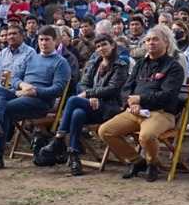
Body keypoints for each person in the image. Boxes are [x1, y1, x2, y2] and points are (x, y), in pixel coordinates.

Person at [97, 25, 185, 182]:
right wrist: (131, 102)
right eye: (148, 40)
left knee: (147, 135)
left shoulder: (173, 67)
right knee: (105, 131)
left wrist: (141, 99)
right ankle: (138, 161)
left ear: (166, 42)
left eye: (155, 40)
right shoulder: (140, 64)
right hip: (135, 111)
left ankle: (152, 163)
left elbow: (167, 95)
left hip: (161, 113)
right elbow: (126, 88)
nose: (151, 43)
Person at [0, 26, 70, 171]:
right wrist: (23, 85)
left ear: (55, 41)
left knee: (5, 110)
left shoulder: (61, 62)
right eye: (41, 40)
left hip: (41, 101)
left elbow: (57, 90)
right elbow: (15, 77)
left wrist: (33, 91)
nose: (43, 43)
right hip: (22, 93)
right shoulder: (32, 58)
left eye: (47, 40)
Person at [36, 33, 127, 175]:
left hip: (109, 108)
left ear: (112, 45)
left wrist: (90, 94)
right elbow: (83, 84)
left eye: (104, 45)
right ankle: (74, 158)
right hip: (90, 105)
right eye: (98, 46)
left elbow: (113, 88)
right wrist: (90, 96)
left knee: (73, 100)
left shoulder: (120, 65)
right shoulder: (94, 62)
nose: (101, 48)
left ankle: (59, 139)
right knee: (78, 113)